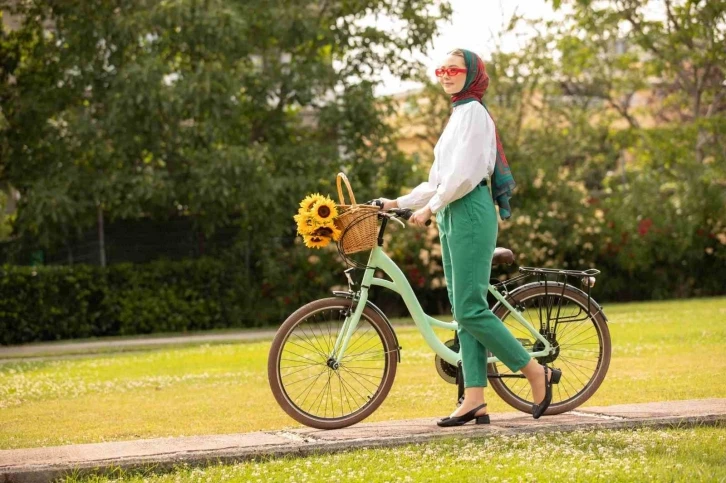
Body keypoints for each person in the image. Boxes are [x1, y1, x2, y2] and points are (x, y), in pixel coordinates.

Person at [379, 49, 561, 426]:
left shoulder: (475, 113)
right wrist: (399, 201)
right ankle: (474, 398)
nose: (446, 75)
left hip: (471, 210)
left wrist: (430, 208)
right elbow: (438, 180)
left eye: (454, 69)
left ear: (472, 73)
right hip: (451, 212)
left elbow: (464, 174)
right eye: (441, 70)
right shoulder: (457, 114)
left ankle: (534, 371)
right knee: (463, 310)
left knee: (469, 309)